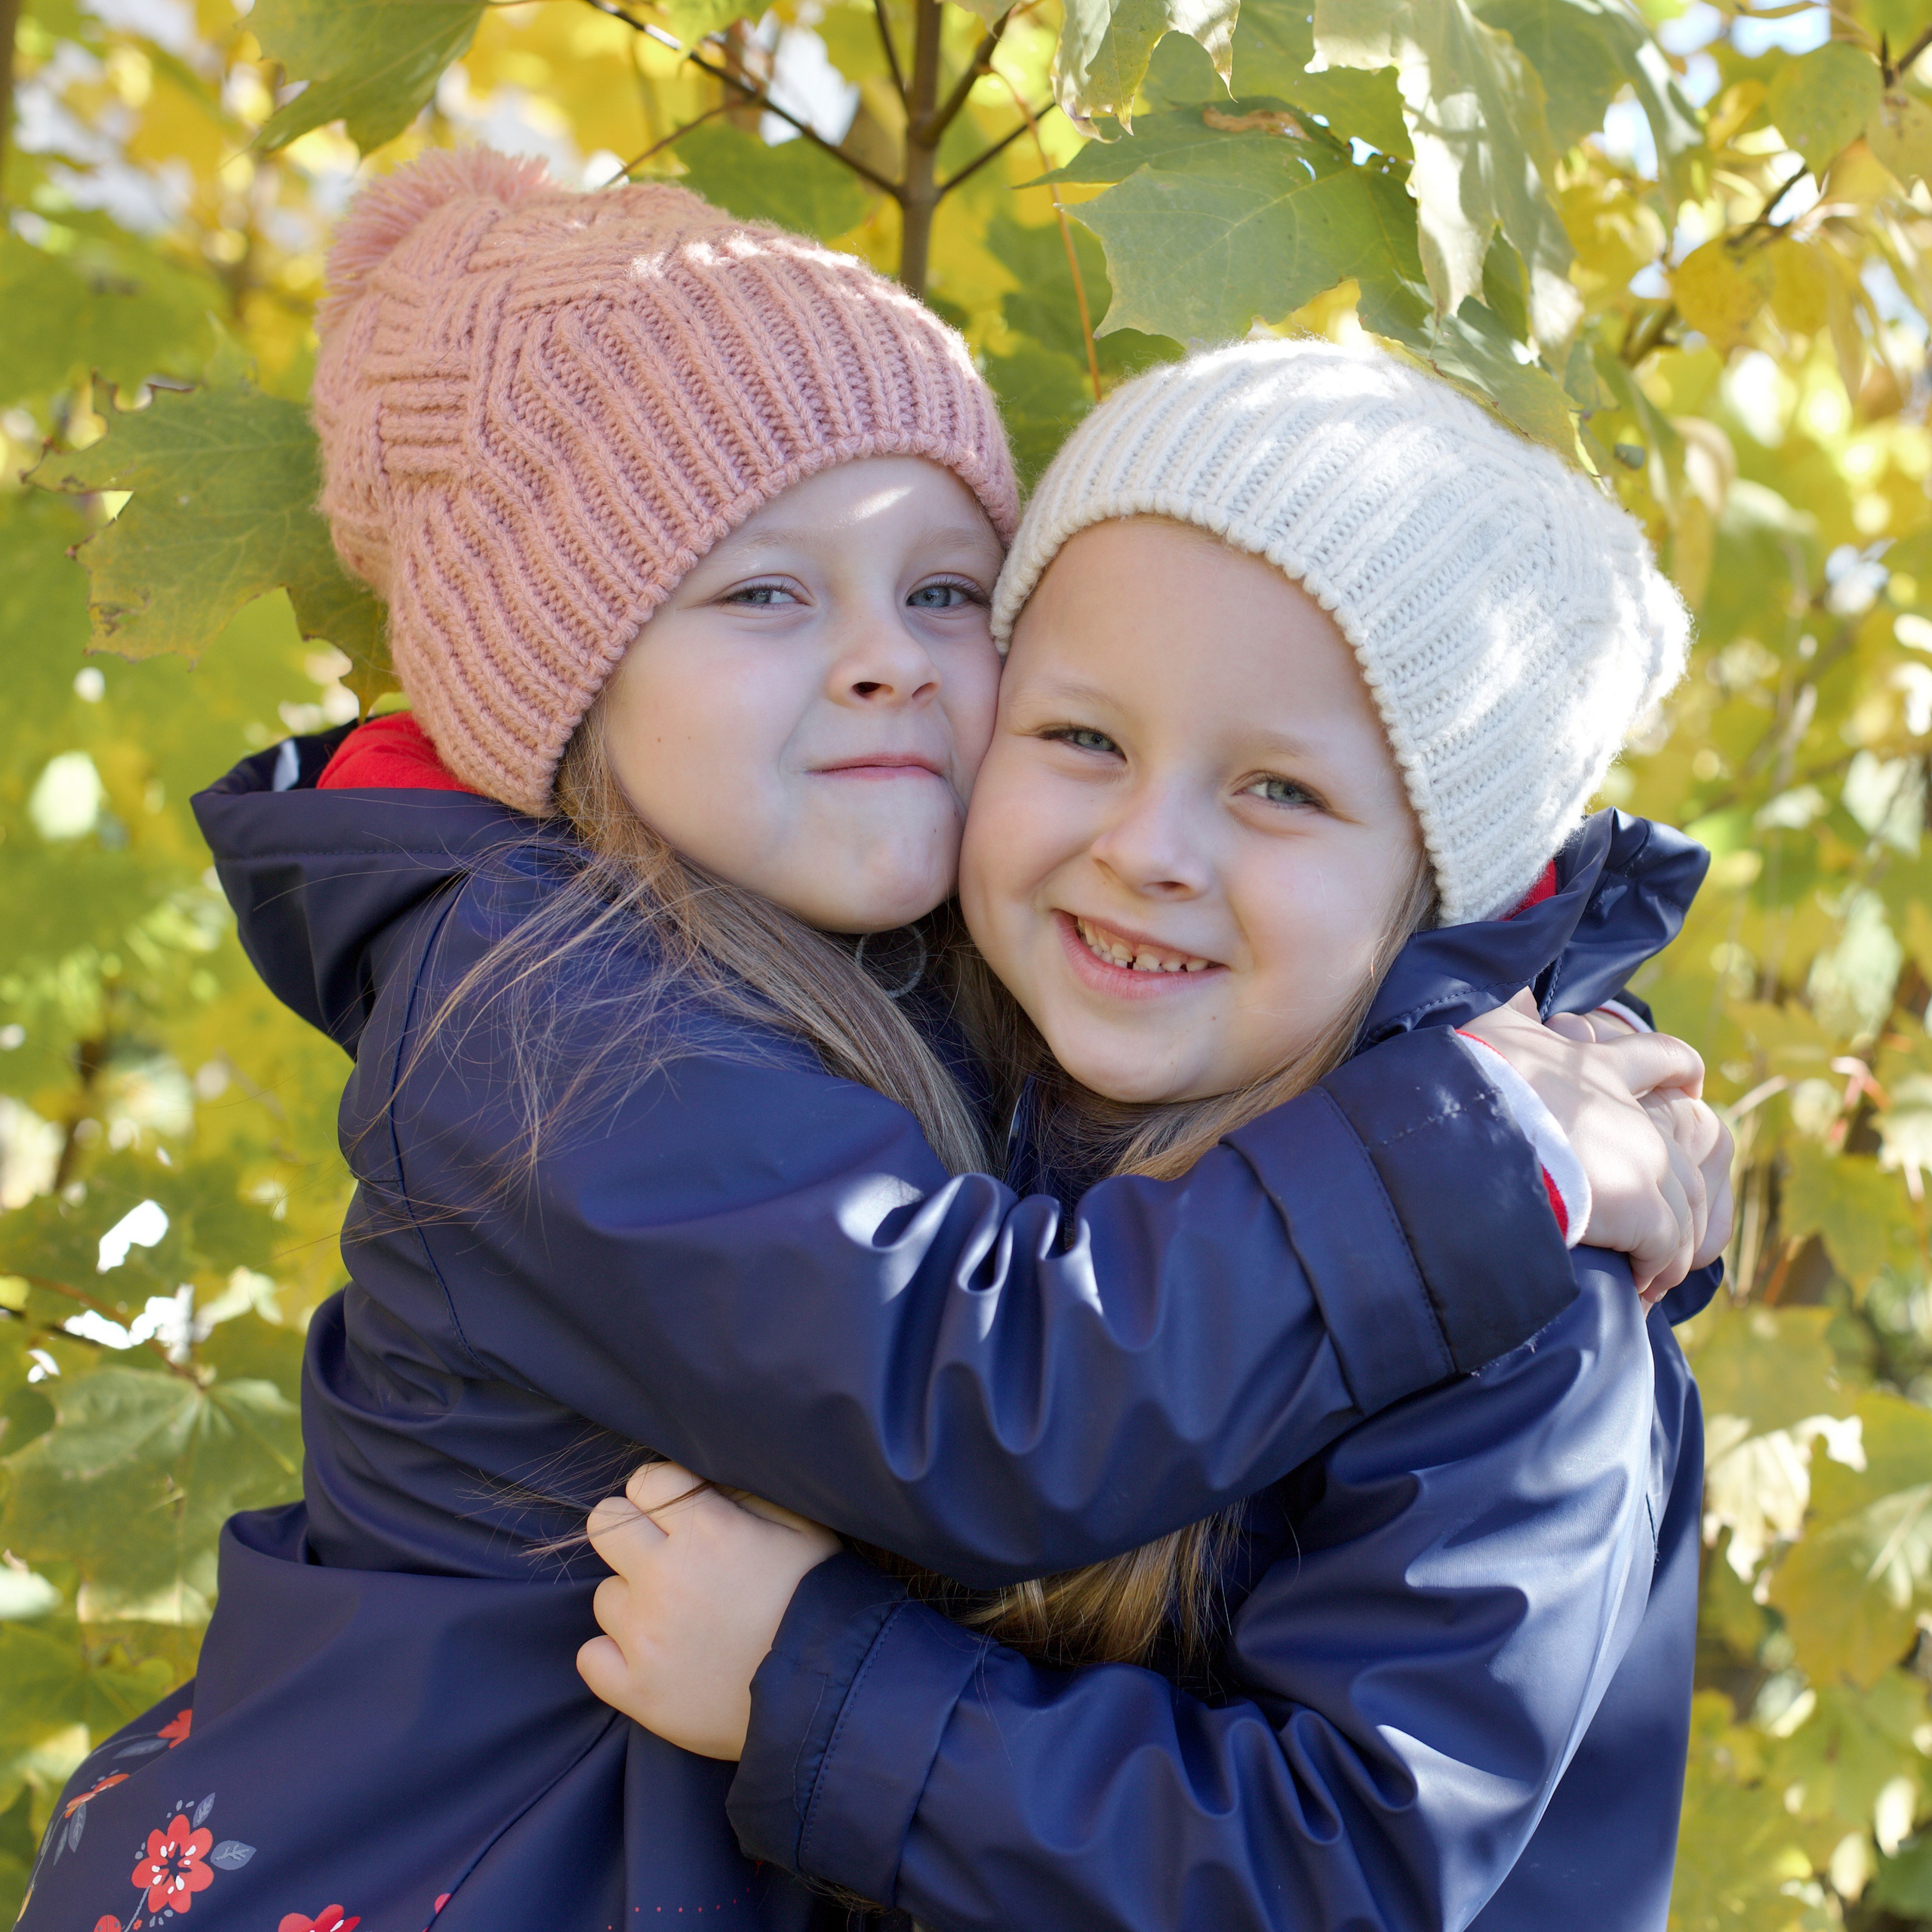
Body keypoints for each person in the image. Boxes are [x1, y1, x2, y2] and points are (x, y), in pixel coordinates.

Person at [17, 155, 1718, 1932]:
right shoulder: (548, 1019)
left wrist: (1583, 1111)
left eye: (943, 593)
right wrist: (1485, 1150)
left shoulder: (974, 987)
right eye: (760, 593)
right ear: (565, 680)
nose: (883, 665)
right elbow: (984, 1383)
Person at [577, 340, 1716, 1932]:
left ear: (1433, 880)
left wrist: (816, 1693)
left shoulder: (1520, 1323)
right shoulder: (918, 1077)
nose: (1146, 847)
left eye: (1276, 790)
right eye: (1083, 741)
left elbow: (1348, 1862)